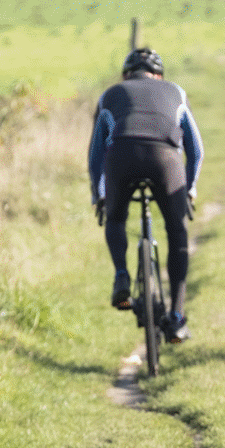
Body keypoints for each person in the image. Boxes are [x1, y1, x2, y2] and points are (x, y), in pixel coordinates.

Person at [88, 47, 203, 342]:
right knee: (177, 231)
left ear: (126, 75)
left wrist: (99, 196)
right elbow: (196, 150)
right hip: (164, 158)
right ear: (159, 76)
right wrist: (189, 188)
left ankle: (121, 276)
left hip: (121, 157)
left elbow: (96, 154)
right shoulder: (175, 91)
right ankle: (176, 319)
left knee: (115, 218)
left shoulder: (110, 95)